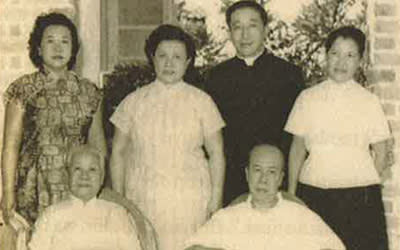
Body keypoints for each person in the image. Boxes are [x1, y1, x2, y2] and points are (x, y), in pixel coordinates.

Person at [110, 24, 225, 250]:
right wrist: (119, 200)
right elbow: (118, 152)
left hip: (190, 197)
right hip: (144, 195)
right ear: (152, 58)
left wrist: (215, 201)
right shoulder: (133, 102)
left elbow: (216, 153)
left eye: (177, 57)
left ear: (188, 61)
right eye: (162, 56)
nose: (169, 63)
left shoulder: (202, 102)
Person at [285, 26, 391, 250]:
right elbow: (297, 150)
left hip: (359, 199)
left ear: (360, 60)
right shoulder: (307, 98)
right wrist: (293, 195)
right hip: (313, 195)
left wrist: (364, 188)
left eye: (350, 55)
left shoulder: (368, 101)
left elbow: (381, 153)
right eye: (335, 53)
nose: (341, 62)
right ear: (326, 55)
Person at [0, 12, 106, 225]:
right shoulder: (23, 89)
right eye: (50, 41)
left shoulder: (89, 92)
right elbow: (10, 146)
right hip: (34, 188)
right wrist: (8, 193)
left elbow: (98, 147)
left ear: (73, 49)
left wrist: (100, 188)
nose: (58, 48)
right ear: (38, 48)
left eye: (65, 42)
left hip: (77, 184)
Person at [205, 0, 304, 205]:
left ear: (265, 29)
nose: (245, 34)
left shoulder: (288, 75)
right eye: (237, 27)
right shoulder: (216, 78)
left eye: (252, 25)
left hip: (276, 181)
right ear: (230, 32)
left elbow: (296, 139)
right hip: (230, 181)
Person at [184, 144, 345, 250]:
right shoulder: (229, 216)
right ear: (247, 174)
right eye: (257, 170)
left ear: (281, 179)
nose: (263, 179)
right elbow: (193, 247)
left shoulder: (301, 216)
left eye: (272, 172)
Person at [29, 145, 141, 250]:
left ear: (102, 178)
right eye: (77, 169)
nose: (84, 176)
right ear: (67, 176)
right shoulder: (52, 215)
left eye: (92, 170)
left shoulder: (117, 214)